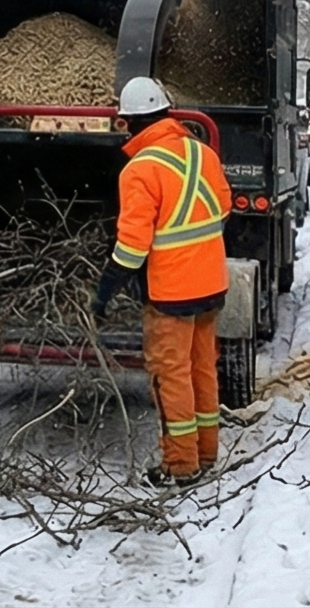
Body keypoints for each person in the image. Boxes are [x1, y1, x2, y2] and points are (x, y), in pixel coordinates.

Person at [92, 76, 231, 485]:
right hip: (211, 284)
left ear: (128, 122)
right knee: (202, 369)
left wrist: (105, 290)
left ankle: (180, 465)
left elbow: (132, 247)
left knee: (170, 375)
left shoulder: (139, 169)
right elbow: (223, 208)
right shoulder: (203, 152)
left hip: (170, 292)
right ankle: (206, 453)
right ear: (167, 111)